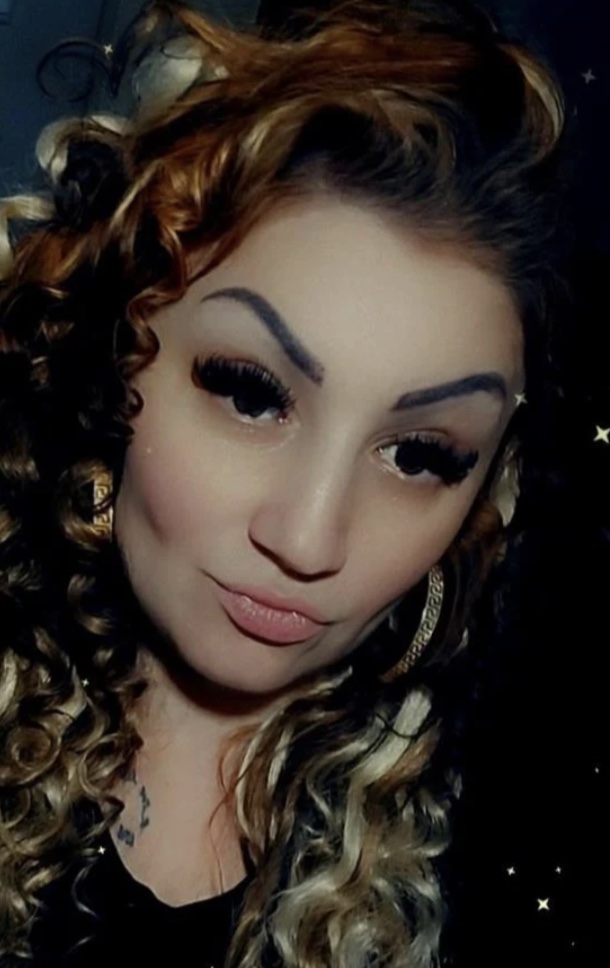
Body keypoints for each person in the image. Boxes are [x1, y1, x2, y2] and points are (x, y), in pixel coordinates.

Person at [0, 1, 567, 965]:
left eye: (419, 455)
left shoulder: (513, 864)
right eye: (251, 393)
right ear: (111, 357)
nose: (308, 539)